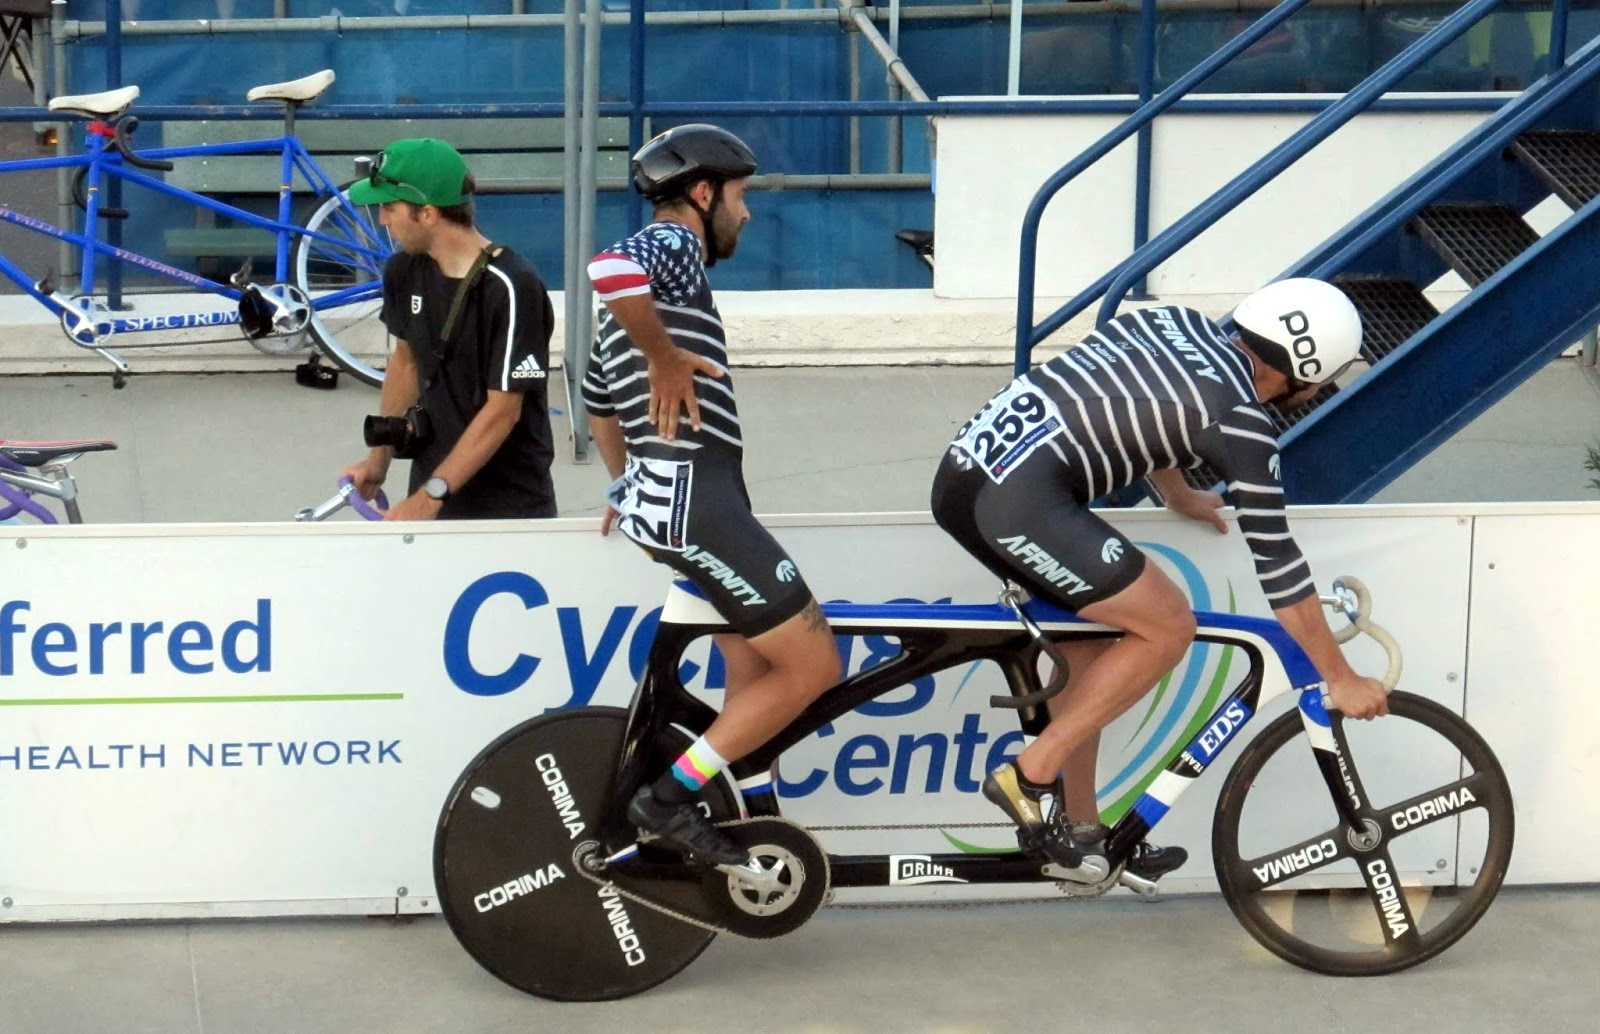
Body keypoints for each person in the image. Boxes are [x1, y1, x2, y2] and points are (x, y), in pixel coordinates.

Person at [930, 278, 1390, 885]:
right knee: (1169, 625)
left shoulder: (1174, 320)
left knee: (1090, 646)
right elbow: (1280, 566)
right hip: (1016, 503)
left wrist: (1176, 492)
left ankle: (1082, 835)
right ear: (1304, 373)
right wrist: (1340, 675)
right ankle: (1029, 772)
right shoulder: (1242, 424)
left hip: (965, 474)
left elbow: (1139, 401)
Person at [581, 124, 842, 867]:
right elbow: (608, 266)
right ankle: (667, 800)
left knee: (753, 669)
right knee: (815, 667)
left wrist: (629, 477)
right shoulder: (673, 248)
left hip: (674, 501)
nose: (746, 213)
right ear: (702, 195)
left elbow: (600, 402)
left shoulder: (640, 308)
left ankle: (753, 804)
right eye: (739, 196)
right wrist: (664, 360)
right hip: (701, 500)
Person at [341, 138, 557, 521]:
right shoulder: (403, 270)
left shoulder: (511, 285)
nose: (384, 219)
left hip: (507, 505)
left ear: (427, 213)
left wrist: (429, 498)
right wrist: (378, 463)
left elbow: (504, 411)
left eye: (390, 207)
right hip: (431, 491)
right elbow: (405, 364)